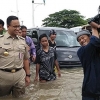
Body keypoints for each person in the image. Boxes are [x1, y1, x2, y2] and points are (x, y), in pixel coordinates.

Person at [0, 16, 30, 97]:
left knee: (20, 97)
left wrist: (28, 75)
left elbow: (26, 59)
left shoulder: (22, 41)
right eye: (15, 26)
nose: (17, 29)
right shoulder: (0, 40)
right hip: (3, 77)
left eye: (18, 26)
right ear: (8, 26)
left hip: (19, 75)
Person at [77, 27, 100, 100]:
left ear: (89, 37)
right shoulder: (81, 51)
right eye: (79, 40)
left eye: (83, 37)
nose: (82, 40)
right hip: (90, 91)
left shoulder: (97, 49)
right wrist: (94, 28)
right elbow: (95, 41)